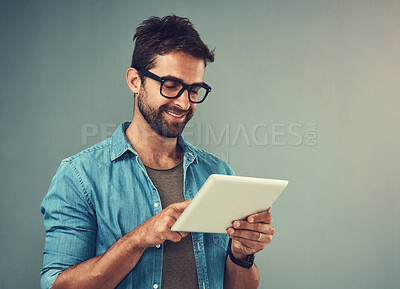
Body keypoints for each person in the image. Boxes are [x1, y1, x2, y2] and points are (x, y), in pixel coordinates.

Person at [40, 15, 275, 289]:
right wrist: (140, 238)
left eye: (194, 89)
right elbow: (57, 286)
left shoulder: (219, 174)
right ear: (135, 81)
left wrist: (242, 255)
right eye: (171, 86)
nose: (184, 102)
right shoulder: (79, 177)